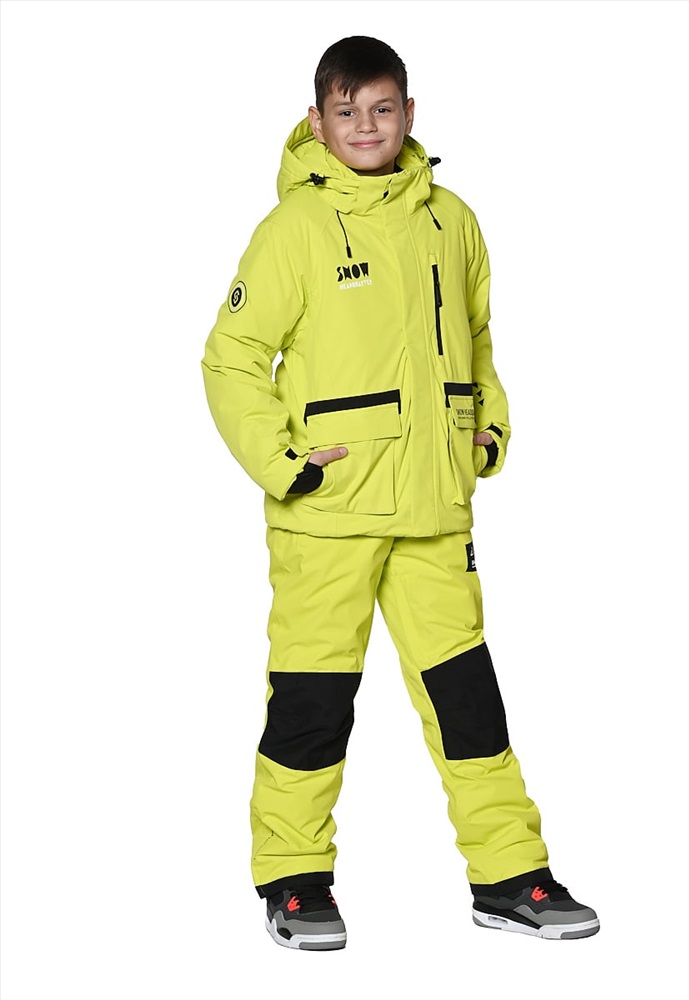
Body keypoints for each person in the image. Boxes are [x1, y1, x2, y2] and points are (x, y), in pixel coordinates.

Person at [201, 35, 599, 951]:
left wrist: (486, 431)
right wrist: (286, 466)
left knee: (470, 705)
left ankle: (510, 876)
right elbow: (229, 358)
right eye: (347, 113)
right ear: (317, 122)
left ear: (410, 114)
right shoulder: (294, 230)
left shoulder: (452, 222)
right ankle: (294, 882)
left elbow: (478, 341)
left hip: (433, 514)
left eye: (382, 109)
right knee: (312, 704)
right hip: (328, 515)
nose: (366, 127)